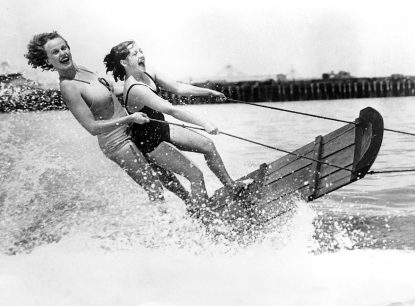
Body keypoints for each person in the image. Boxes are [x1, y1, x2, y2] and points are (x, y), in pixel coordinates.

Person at [24, 31, 190, 204]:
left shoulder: (83, 69)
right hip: (116, 142)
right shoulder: (69, 87)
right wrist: (129, 119)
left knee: (166, 175)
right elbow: (92, 127)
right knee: (154, 188)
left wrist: (143, 91)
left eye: (63, 48)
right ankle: (165, 229)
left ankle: (193, 208)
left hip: (132, 129)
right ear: (46, 60)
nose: (63, 53)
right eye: (55, 52)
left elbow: (110, 94)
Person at [104, 40, 251, 212]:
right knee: (196, 176)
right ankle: (204, 218)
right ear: (124, 62)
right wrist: (205, 123)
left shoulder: (149, 72)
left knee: (208, 146)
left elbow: (179, 88)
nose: (141, 55)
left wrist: (209, 92)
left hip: (162, 129)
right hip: (150, 143)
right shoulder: (135, 88)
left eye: (141, 51)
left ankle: (231, 186)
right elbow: (171, 109)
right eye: (135, 54)